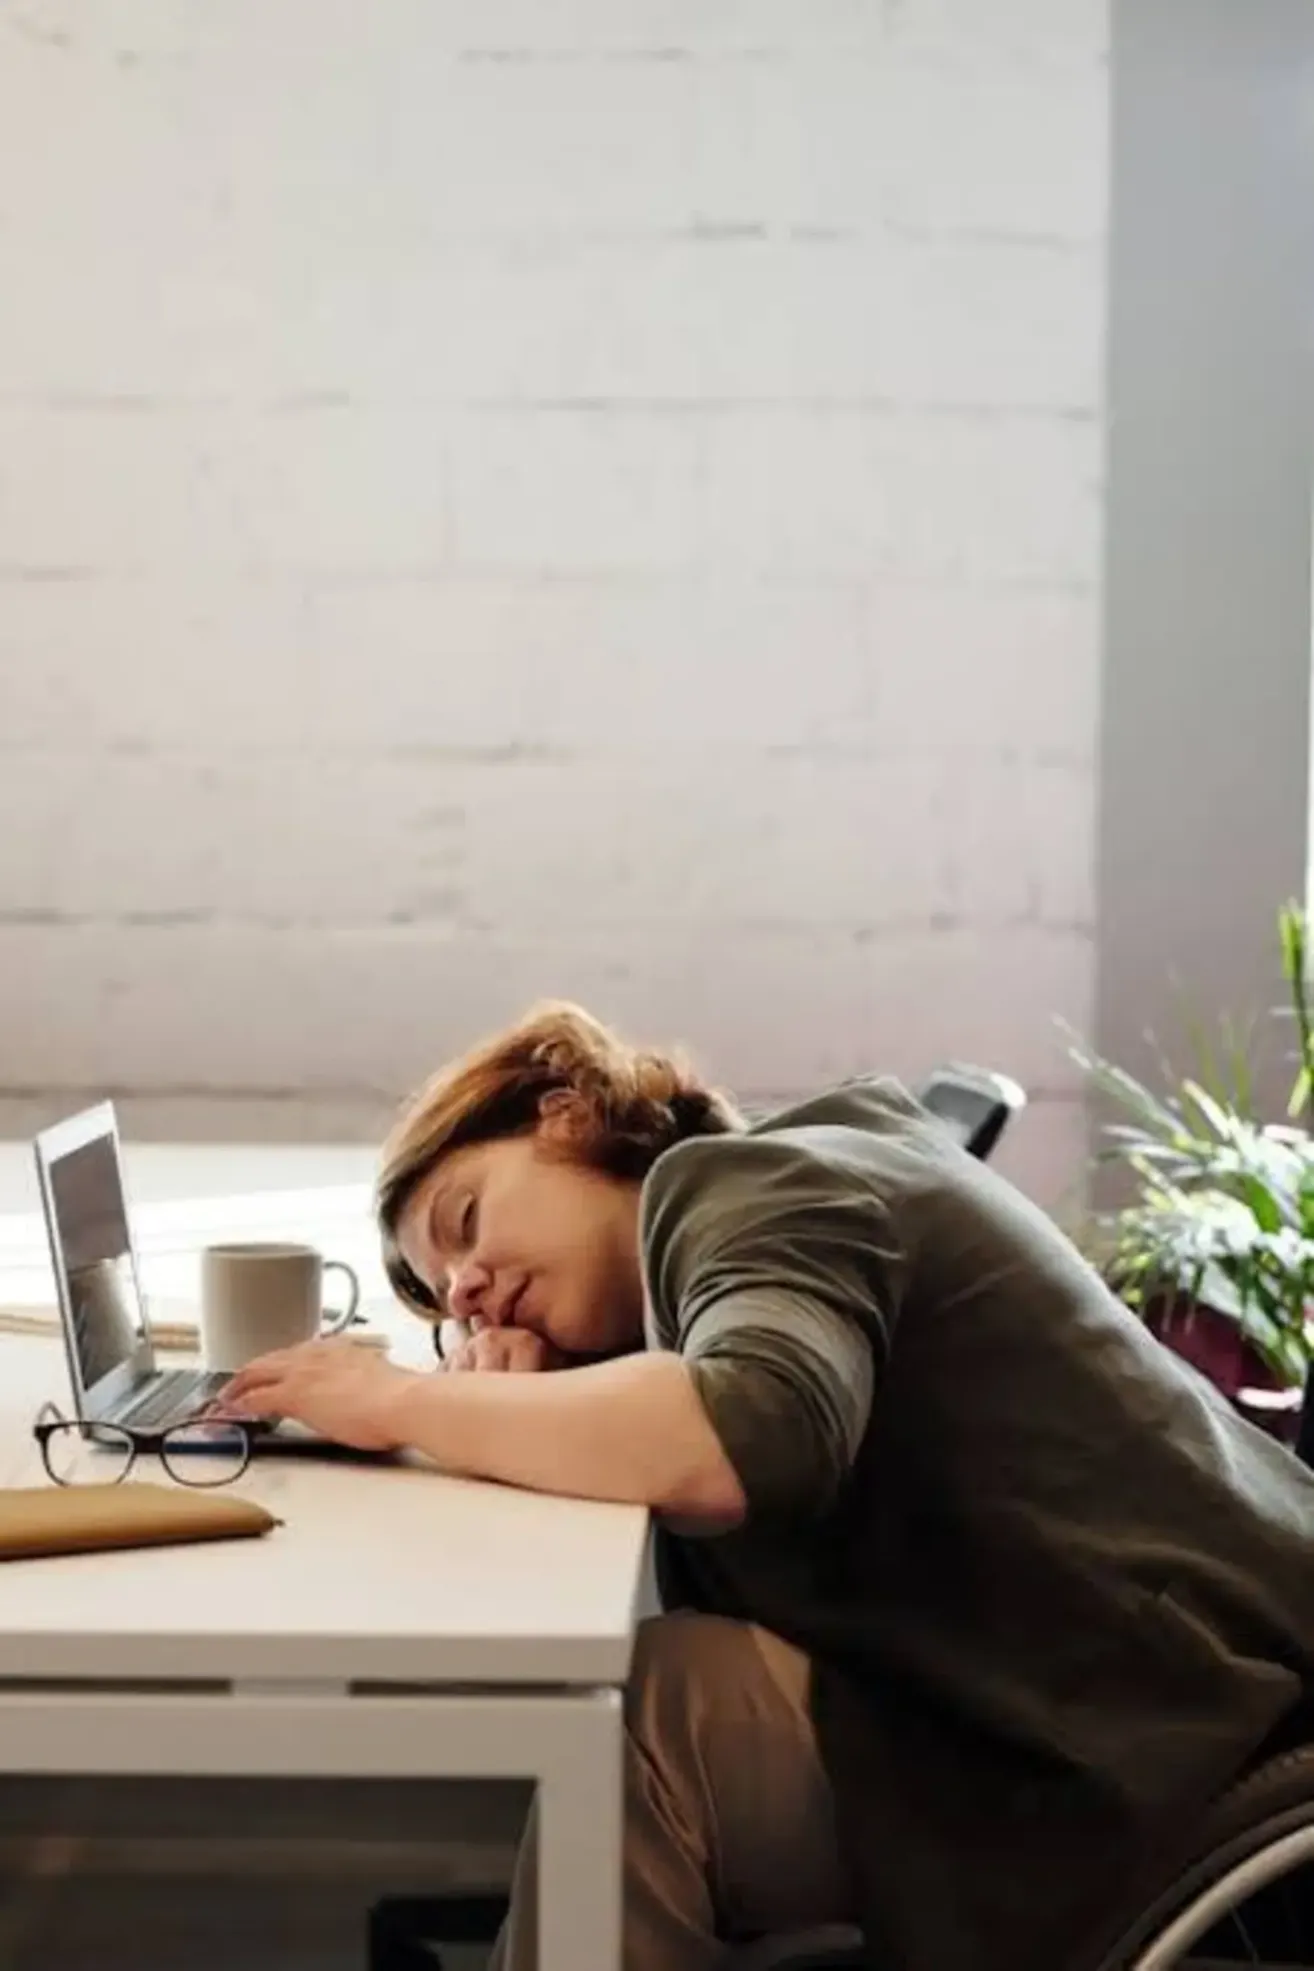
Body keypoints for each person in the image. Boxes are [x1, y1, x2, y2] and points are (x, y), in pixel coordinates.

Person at [217, 1002, 1314, 1971]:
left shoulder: (740, 1187)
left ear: (562, 1115)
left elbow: (755, 1430)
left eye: (464, 1220)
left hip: (1161, 1730)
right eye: (449, 1297)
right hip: (1172, 1682)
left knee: (658, 1716)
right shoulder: (785, 1182)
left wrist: (403, 1405)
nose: (466, 1286)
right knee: (674, 1686)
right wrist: (532, 1402)